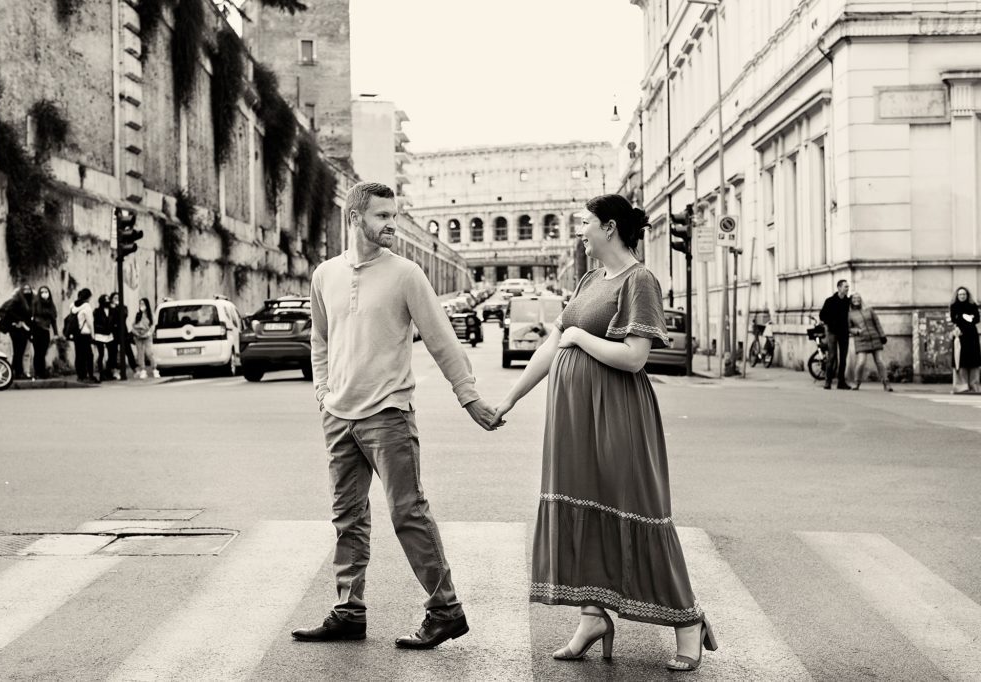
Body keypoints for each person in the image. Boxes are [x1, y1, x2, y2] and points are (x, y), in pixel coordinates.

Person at [491, 194, 715, 672]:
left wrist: (579, 338)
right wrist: (508, 399)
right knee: (581, 504)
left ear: (609, 228)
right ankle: (591, 617)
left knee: (638, 508)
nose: (580, 232)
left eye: (586, 224)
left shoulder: (640, 280)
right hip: (573, 418)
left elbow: (634, 357)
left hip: (617, 414)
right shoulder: (592, 279)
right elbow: (553, 346)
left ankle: (687, 620)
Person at [292, 182, 500, 650]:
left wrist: (469, 397)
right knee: (347, 517)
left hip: (388, 413)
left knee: (408, 513)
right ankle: (349, 612)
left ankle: (445, 610)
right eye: (383, 216)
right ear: (354, 218)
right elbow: (320, 341)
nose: (392, 225)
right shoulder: (324, 275)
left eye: (393, 215)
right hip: (338, 416)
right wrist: (322, 392)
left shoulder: (406, 273)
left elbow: (442, 339)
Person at [848, 293, 892, 392]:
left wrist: (882, 335)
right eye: (854, 298)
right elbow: (848, 328)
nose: (857, 300)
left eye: (858, 298)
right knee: (861, 362)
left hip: (875, 338)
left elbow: (877, 323)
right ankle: (857, 383)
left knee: (880, 361)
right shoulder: (849, 314)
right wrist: (857, 331)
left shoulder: (869, 309)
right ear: (851, 301)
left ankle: (886, 383)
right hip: (861, 340)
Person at [819, 279, 852, 390]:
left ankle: (841, 382)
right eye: (845, 287)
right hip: (833, 332)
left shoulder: (848, 302)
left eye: (848, 287)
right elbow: (822, 315)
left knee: (843, 358)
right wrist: (831, 322)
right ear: (839, 288)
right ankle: (828, 381)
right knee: (832, 357)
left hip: (844, 333)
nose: (847, 289)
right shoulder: (830, 301)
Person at [0, 284, 34, 379]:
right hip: (17, 330)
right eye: (25, 289)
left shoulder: (30, 302)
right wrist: (19, 321)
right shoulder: (17, 301)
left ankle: (15, 371)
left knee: (21, 351)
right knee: (18, 351)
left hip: (25, 330)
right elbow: (8, 312)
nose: (27, 291)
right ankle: (18, 372)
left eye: (29, 289)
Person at [950, 286, 981, 394]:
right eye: (960, 294)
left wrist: (963, 317)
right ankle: (961, 386)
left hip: (972, 336)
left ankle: (974, 385)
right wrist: (968, 317)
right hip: (960, 335)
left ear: (967, 295)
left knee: (973, 360)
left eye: (964, 294)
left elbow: (976, 319)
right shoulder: (954, 306)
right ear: (957, 296)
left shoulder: (973, 305)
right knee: (960, 360)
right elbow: (954, 319)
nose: (962, 296)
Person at [31, 285, 60, 379]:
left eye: (46, 292)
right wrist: (31, 333)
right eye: (42, 292)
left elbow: (53, 320)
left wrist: (56, 333)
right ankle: (37, 372)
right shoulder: (35, 303)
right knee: (37, 352)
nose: (44, 294)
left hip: (46, 331)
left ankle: (42, 372)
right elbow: (32, 318)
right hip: (36, 330)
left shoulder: (51, 305)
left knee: (43, 352)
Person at [69, 288, 96, 383]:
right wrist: (93, 335)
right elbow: (90, 323)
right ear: (88, 297)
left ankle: (80, 375)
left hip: (76, 334)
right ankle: (90, 375)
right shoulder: (87, 307)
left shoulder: (72, 306)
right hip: (85, 334)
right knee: (89, 355)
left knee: (79, 355)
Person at [109, 292, 137, 378]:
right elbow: (111, 319)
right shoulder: (110, 308)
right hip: (113, 332)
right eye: (115, 298)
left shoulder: (123, 307)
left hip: (123, 332)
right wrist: (113, 309)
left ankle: (134, 368)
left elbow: (124, 315)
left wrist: (116, 307)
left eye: (118, 297)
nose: (116, 299)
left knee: (128, 350)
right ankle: (114, 370)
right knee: (113, 352)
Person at [132, 297, 159, 379]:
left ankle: (154, 369)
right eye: (140, 303)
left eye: (143, 303)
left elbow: (153, 326)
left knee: (149, 353)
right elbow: (133, 326)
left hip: (147, 336)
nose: (141, 305)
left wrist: (148, 333)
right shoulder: (138, 315)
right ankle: (143, 370)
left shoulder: (151, 315)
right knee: (140, 353)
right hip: (138, 336)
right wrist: (137, 333)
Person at [92, 294, 114, 381]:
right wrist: (101, 328)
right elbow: (95, 323)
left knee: (111, 354)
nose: (107, 301)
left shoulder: (112, 310)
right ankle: (101, 373)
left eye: (108, 299)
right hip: (100, 335)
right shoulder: (97, 311)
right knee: (101, 354)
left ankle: (108, 372)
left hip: (109, 335)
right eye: (105, 299)